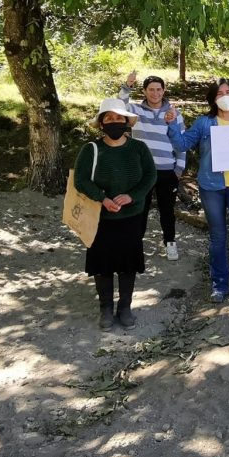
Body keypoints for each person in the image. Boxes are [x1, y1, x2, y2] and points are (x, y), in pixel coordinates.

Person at [166, 79, 229, 307]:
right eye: (220, 92)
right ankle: (219, 285)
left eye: (228, 91)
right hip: (212, 187)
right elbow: (182, 144)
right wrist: (173, 125)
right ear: (214, 98)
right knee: (217, 237)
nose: (224, 95)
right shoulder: (205, 123)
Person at [73, 98, 157, 330]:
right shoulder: (91, 150)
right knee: (103, 264)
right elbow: (80, 181)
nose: (114, 122)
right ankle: (106, 309)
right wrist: (102, 198)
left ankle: (125, 307)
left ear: (127, 122)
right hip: (100, 218)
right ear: (101, 124)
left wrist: (132, 196)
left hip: (131, 217)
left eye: (119, 118)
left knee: (128, 263)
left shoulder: (139, 148)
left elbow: (150, 176)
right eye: (108, 118)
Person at [117, 71, 186, 261]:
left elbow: (181, 144)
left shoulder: (174, 114)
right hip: (142, 172)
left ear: (164, 91)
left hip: (167, 171)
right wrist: (127, 85)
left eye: (158, 89)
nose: (155, 93)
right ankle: (135, 245)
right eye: (151, 90)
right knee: (140, 208)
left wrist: (179, 169)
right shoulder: (135, 112)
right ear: (145, 91)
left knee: (167, 210)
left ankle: (170, 243)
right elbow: (118, 106)